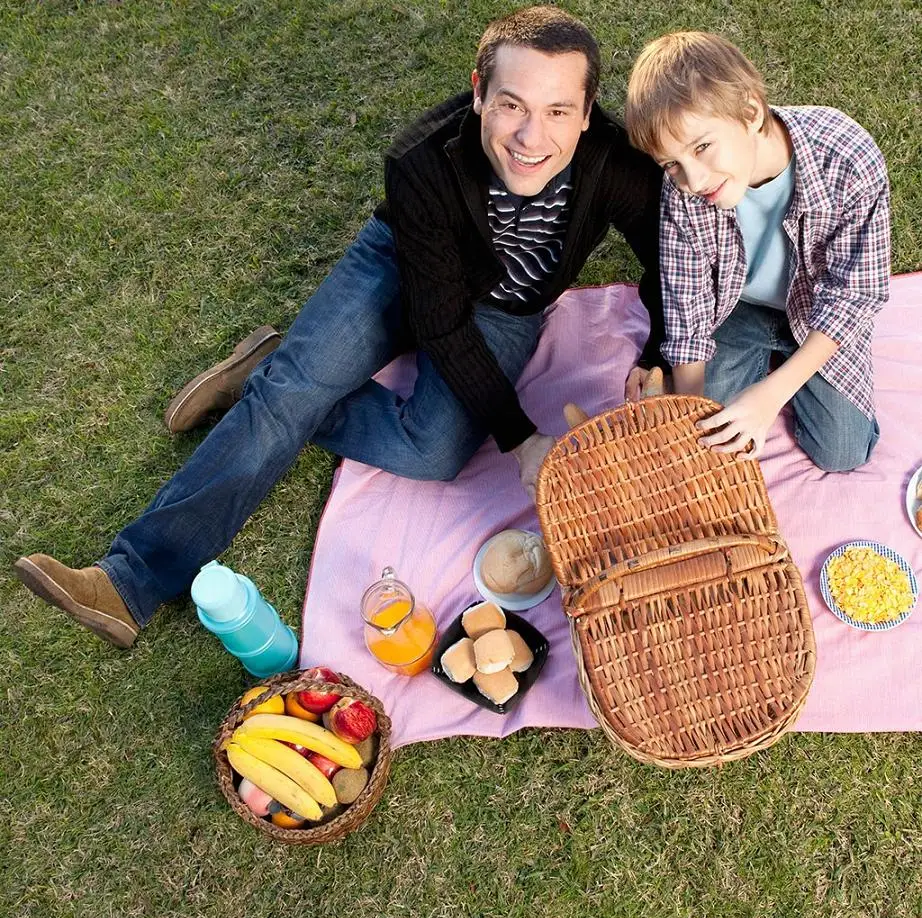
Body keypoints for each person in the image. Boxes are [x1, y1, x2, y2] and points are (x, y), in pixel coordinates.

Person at [15, 5, 666, 649]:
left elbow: (671, 260)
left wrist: (663, 350)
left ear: (586, 114)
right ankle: (130, 580)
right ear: (478, 93)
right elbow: (440, 325)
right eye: (512, 105)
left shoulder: (614, 163)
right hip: (407, 265)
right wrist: (523, 440)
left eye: (558, 111)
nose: (531, 137)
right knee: (289, 399)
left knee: (434, 451)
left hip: (507, 306)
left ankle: (269, 373)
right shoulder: (422, 163)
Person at [624, 31, 890, 468]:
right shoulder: (683, 192)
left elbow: (853, 296)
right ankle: (765, 361)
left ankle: (786, 366)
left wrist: (771, 395)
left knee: (842, 452)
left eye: (702, 146)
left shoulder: (847, 156)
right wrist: (690, 419)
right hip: (737, 310)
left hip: (818, 309)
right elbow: (686, 311)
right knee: (714, 433)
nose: (693, 180)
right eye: (671, 164)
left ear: (749, 111)